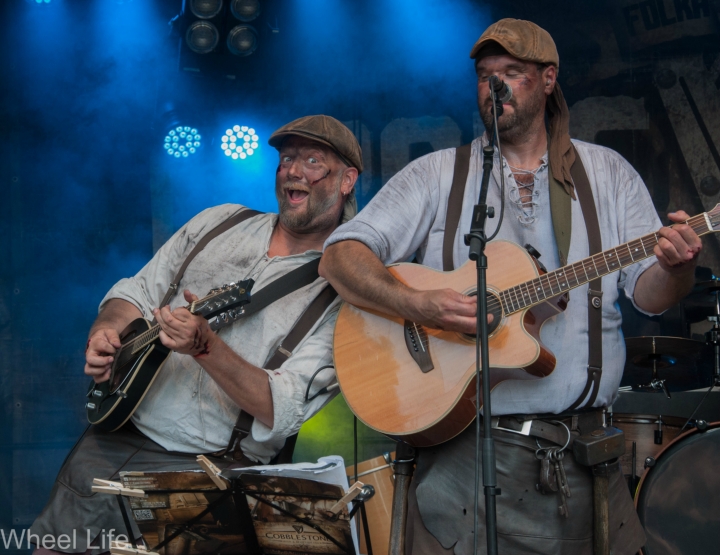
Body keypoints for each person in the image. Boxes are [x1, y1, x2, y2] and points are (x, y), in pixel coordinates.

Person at [320, 19, 701, 555]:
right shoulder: (437, 174)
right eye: (484, 75)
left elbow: (650, 295)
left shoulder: (608, 173)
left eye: (511, 73)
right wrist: (418, 303)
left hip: (586, 453)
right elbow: (340, 257)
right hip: (463, 461)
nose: (493, 85)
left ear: (547, 80)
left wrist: (677, 266)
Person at [31, 115, 362, 554]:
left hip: (207, 474)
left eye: (313, 161)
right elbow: (136, 290)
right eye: (286, 159)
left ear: (347, 180)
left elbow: (283, 409)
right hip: (113, 439)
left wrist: (207, 347)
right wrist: (107, 330)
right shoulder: (220, 221)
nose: (293, 171)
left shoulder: (346, 289)